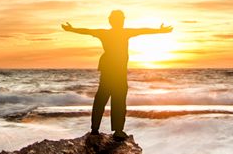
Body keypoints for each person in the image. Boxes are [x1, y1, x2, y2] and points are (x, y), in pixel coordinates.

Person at [61, 10, 172, 139]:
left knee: (109, 100)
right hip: (112, 71)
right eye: (120, 19)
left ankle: (104, 130)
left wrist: (71, 29)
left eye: (121, 19)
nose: (121, 22)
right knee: (110, 100)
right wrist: (72, 29)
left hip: (115, 71)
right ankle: (106, 130)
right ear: (114, 21)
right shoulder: (118, 33)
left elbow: (142, 30)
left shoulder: (111, 33)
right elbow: (87, 31)